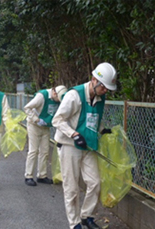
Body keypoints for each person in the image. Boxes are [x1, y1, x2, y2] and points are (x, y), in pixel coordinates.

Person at [52, 62, 117, 229]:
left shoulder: (100, 97)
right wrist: (73, 134)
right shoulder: (74, 96)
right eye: (104, 88)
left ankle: (86, 215)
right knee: (71, 188)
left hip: (88, 145)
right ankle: (74, 224)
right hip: (69, 145)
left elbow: (93, 117)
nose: (106, 91)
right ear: (94, 80)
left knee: (95, 183)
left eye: (108, 89)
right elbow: (57, 120)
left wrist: (102, 130)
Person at [24, 85, 67, 186]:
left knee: (45, 151)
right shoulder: (41, 96)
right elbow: (27, 108)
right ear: (54, 93)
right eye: (58, 99)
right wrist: (36, 119)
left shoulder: (57, 99)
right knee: (33, 150)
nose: (58, 102)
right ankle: (28, 176)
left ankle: (42, 176)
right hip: (34, 125)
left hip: (45, 126)